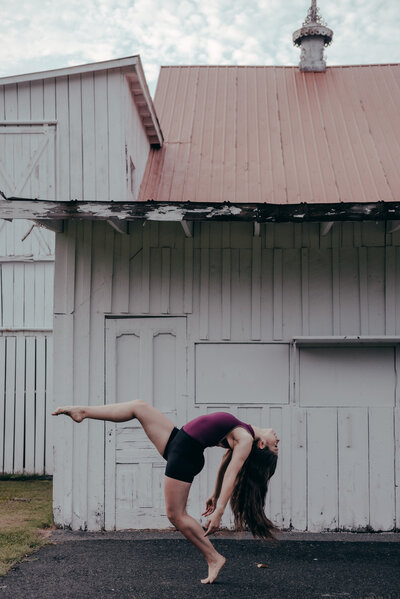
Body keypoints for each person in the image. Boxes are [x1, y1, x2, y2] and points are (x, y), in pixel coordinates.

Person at [52, 400, 279, 584]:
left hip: (186, 454)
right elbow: (225, 462)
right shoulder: (244, 432)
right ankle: (82, 411)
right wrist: (214, 493)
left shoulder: (247, 439)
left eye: (275, 445)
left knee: (175, 515)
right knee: (139, 407)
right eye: (277, 444)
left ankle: (214, 558)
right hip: (178, 440)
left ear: (262, 446)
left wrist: (219, 510)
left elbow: (233, 472)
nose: (277, 439)